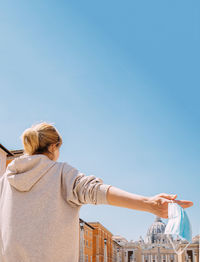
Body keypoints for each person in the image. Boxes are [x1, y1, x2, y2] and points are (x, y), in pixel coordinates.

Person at [0, 122, 193, 262]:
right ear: (53, 147)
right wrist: (148, 204)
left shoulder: (5, 181)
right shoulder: (60, 172)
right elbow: (95, 191)